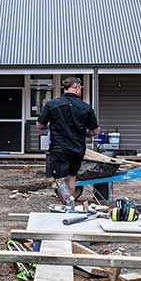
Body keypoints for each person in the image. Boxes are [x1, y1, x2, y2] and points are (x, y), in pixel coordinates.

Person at [36, 76, 99, 207]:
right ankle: (70, 202)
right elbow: (95, 131)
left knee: (60, 178)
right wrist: (88, 133)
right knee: (72, 176)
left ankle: (68, 204)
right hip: (77, 149)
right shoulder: (86, 107)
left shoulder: (52, 104)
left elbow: (40, 126)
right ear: (77, 88)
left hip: (59, 149)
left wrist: (51, 126)